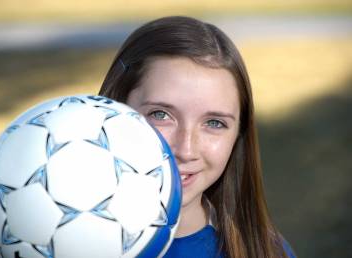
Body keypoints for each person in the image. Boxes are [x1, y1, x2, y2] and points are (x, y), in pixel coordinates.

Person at [99, 16, 296, 258]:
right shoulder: (56, 244)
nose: (186, 150)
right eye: (161, 114)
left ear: (237, 136)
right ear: (113, 110)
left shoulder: (264, 252)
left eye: (214, 123)